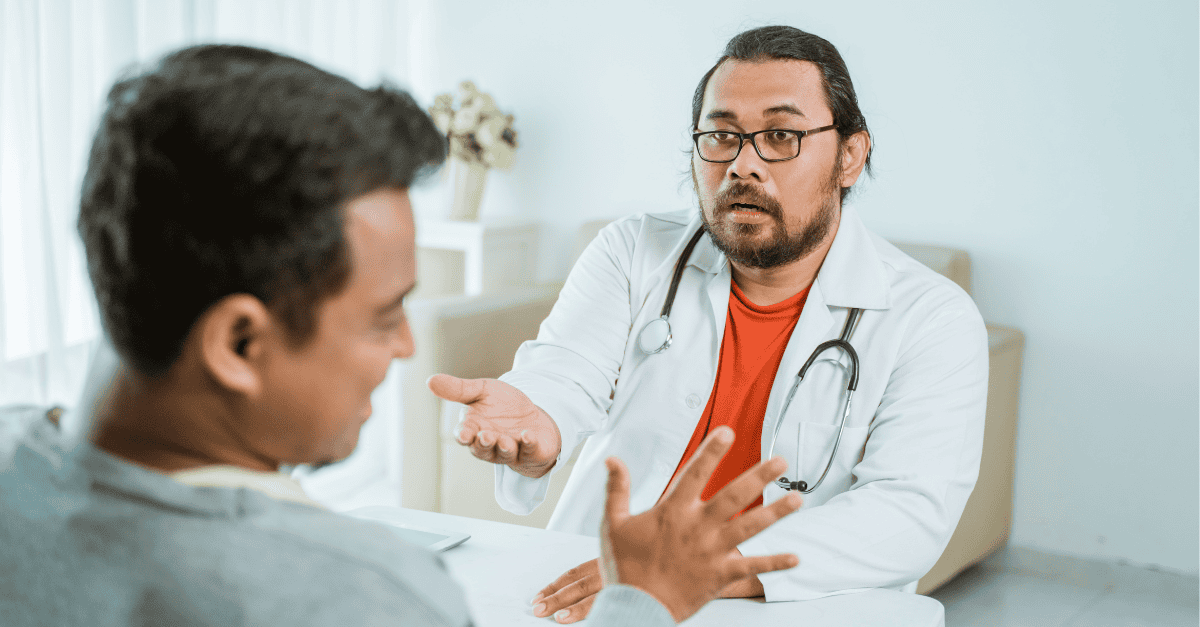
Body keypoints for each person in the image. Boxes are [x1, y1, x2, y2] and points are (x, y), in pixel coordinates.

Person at [0, 44, 804, 626]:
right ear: (238, 344)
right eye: (384, 317)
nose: (405, 349)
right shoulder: (360, 592)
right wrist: (642, 605)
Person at [431, 24, 989, 622]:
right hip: (605, 589)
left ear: (849, 156)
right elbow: (566, 371)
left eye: (780, 136)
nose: (743, 165)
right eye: (721, 135)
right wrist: (539, 424)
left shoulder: (933, 318)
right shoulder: (632, 250)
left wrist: (707, 569)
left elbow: (907, 513)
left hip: (788, 603)